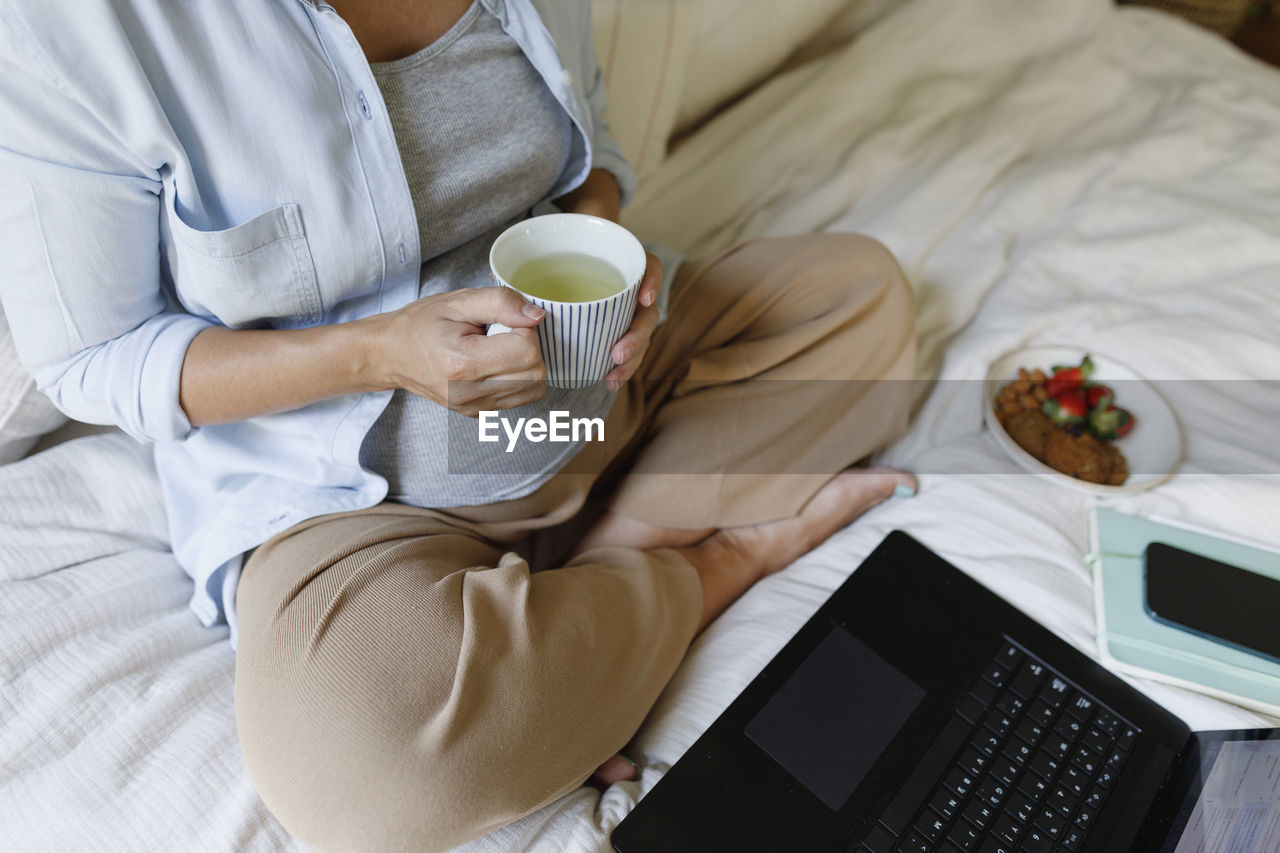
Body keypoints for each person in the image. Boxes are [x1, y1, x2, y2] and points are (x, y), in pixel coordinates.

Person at [0, 0, 917, 849]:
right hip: (358, 506)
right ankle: (712, 564)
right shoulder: (77, 30)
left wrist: (607, 259)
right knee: (366, 772)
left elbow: (592, 164)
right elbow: (95, 356)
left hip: (598, 390)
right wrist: (378, 353)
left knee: (858, 298)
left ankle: (599, 579)